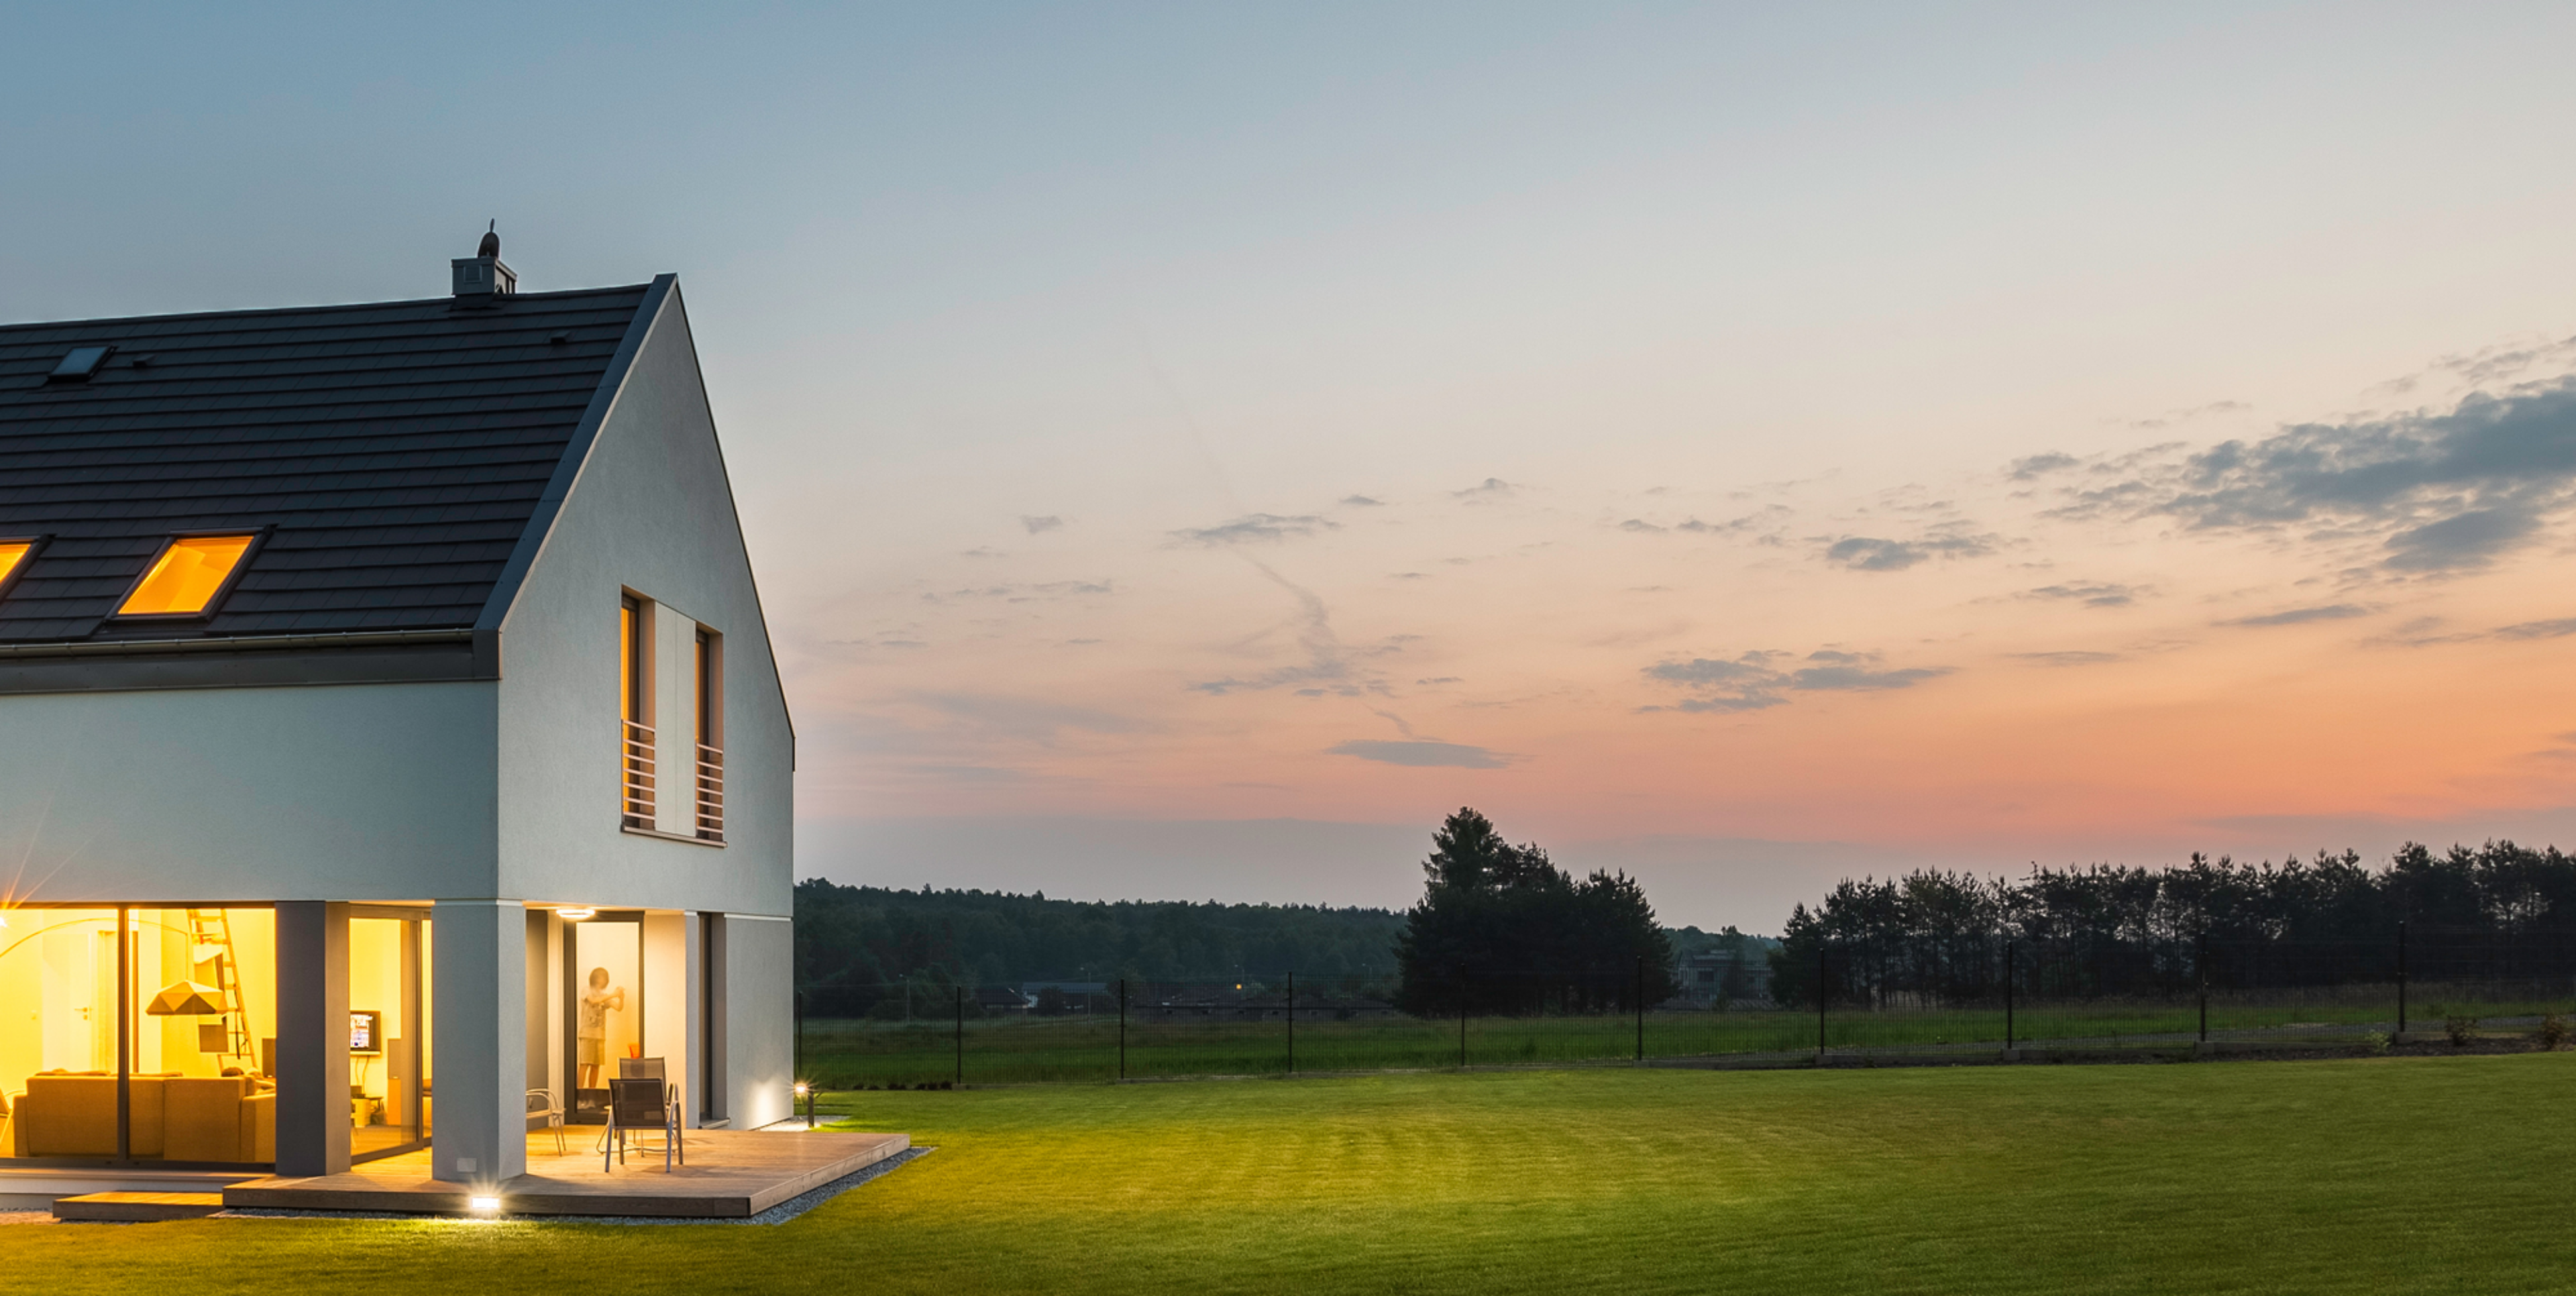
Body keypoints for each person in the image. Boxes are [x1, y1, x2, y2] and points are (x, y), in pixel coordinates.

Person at [578, 967, 627, 1090]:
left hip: (600, 1035)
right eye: (600, 977)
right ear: (595, 978)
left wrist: (621, 997)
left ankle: (591, 1095)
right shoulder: (586, 990)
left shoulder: (605, 996)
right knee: (584, 1064)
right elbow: (594, 1001)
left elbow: (619, 1008)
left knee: (596, 1066)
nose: (602, 980)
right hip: (587, 1034)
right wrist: (613, 994)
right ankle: (578, 1095)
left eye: (604, 978)